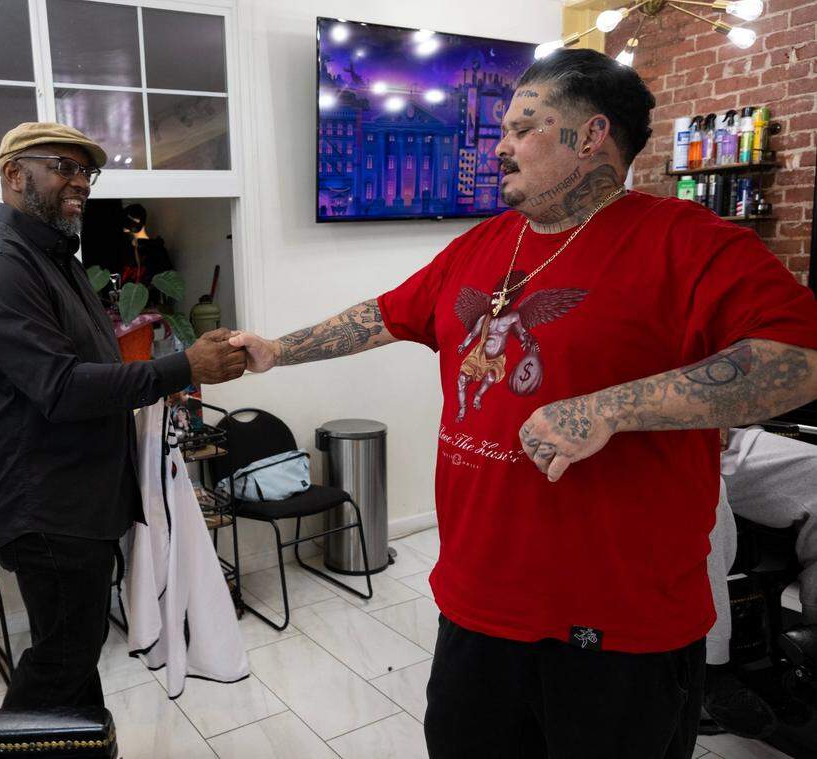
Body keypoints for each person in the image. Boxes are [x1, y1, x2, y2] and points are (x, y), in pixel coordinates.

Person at [229, 49, 817, 758]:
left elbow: (798, 361)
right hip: (477, 606)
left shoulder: (688, 243)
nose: (499, 144)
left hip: (618, 628)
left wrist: (607, 408)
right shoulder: (482, 244)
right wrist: (277, 349)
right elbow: (384, 315)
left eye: (522, 127)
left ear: (591, 134)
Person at [0, 122, 246, 710]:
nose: (80, 182)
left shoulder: (53, 257)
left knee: (77, 651)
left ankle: (84, 743)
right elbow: (59, 387)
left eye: (87, 171)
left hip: (80, 500)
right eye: (64, 166)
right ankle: (11, 752)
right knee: (60, 661)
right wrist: (180, 368)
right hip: (47, 506)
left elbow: (91, 363)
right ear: (14, 175)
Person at [701, 425, 817, 736]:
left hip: (703, 434)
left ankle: (811, 646)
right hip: (618, 446)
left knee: (815, 469)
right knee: (703, 491)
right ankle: (711, 669)